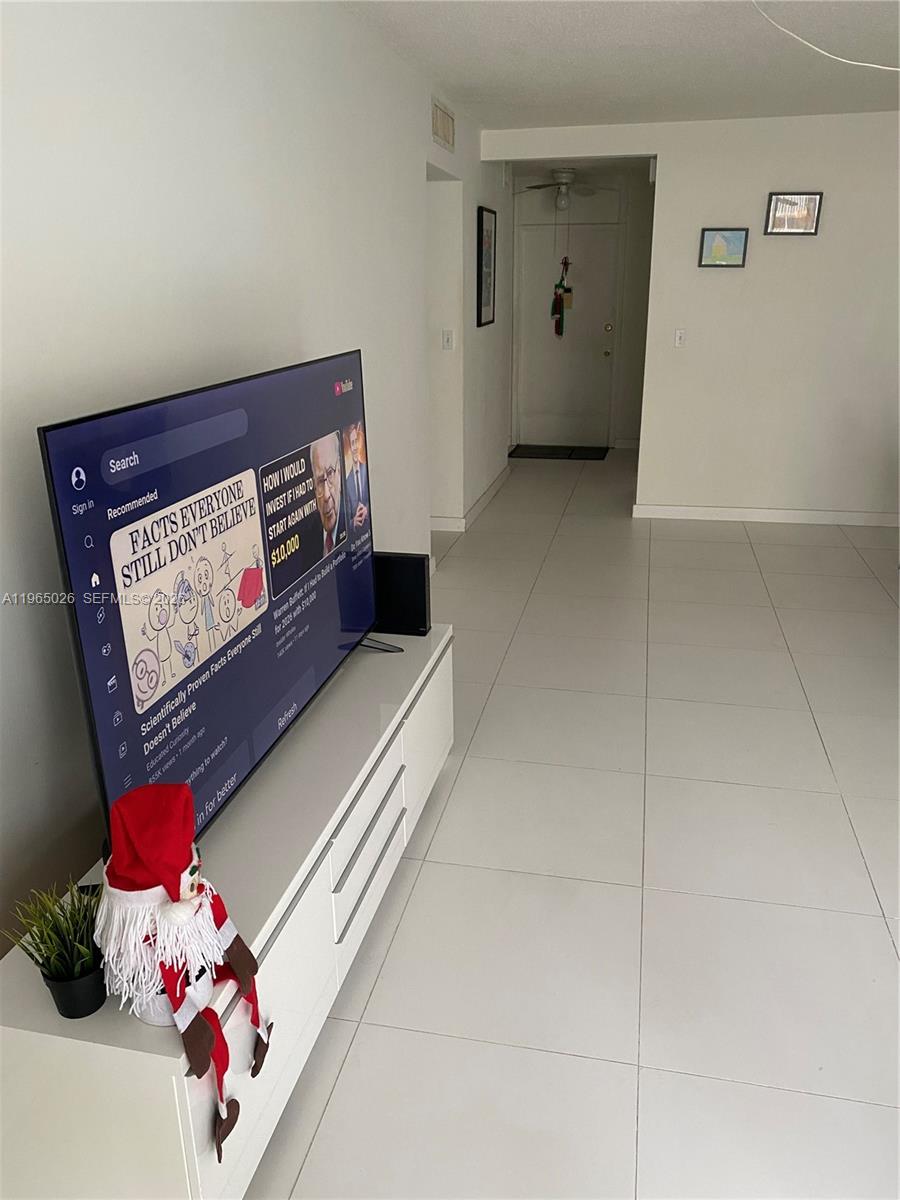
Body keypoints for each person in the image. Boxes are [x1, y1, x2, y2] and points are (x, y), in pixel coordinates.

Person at [310, 432, 346, 557]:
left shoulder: (354, 521)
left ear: (339, 471)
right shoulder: (308, 538)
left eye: (330, 473)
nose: (326, 495)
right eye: (320, 481)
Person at [344, 422, 370, 532]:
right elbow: (345, 523)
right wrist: (353, 522)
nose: (354, 447)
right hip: (356, 536)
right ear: (349, 447)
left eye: (356, 442)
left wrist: (366, 511)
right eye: (352, 443)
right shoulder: (346, 482)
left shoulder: (367, 469)